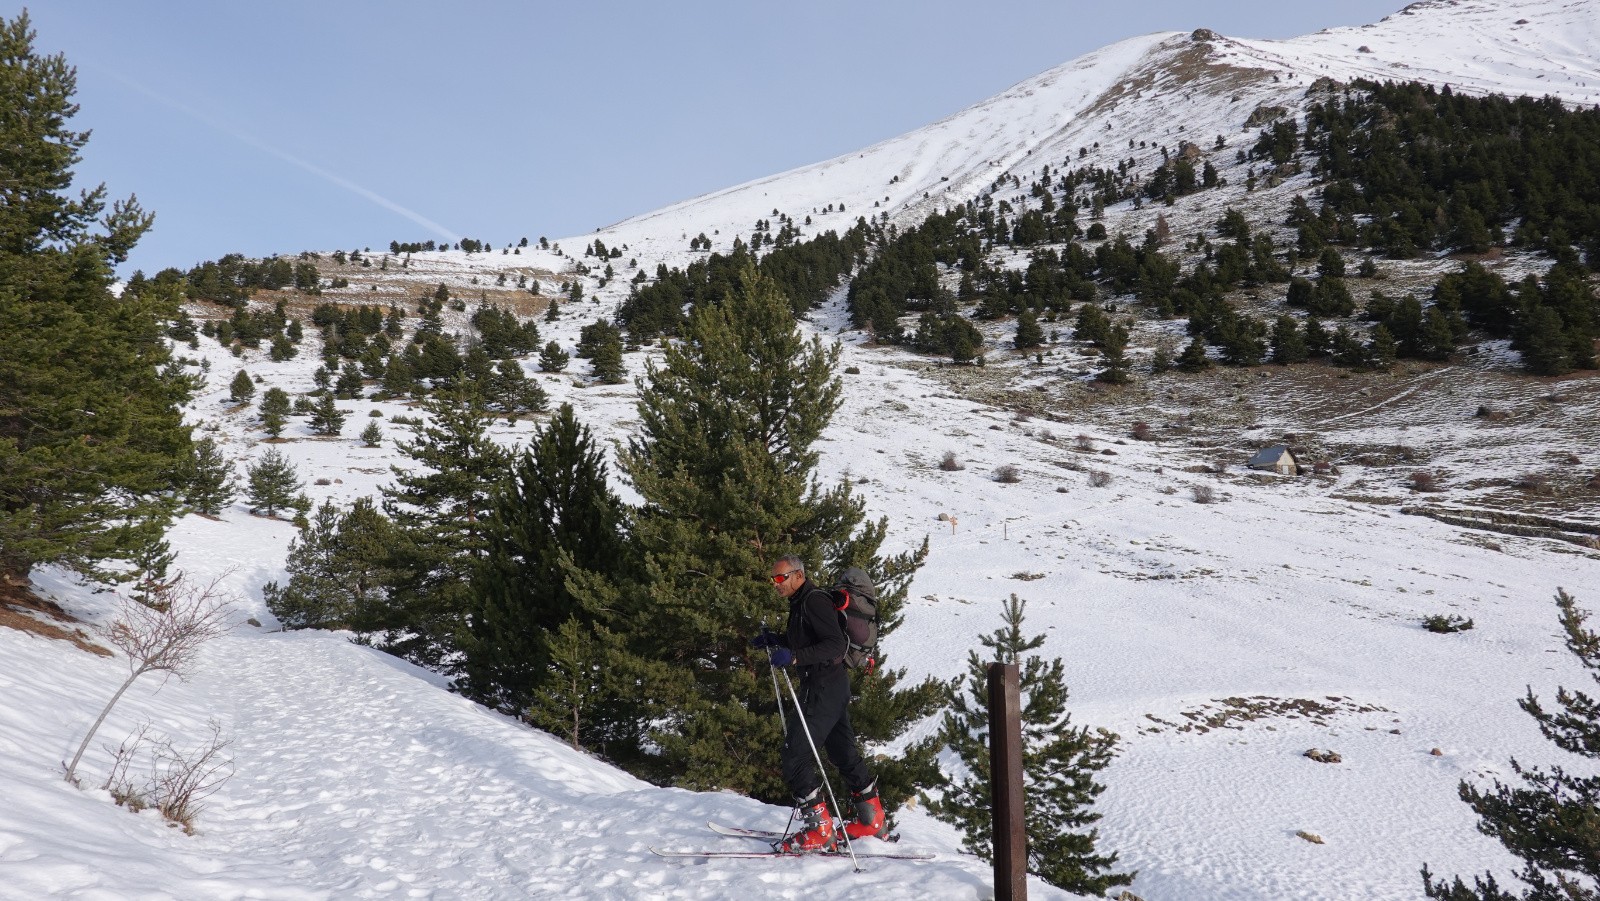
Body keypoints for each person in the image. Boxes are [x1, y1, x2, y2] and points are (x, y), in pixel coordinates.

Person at [752, 554, 887, 853]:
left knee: (795, 754)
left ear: (799, 575)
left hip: (823, 687)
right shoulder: (801, 603)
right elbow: (809, 639)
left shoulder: (814, 601)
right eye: (773, 579)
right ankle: (872, 820)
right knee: (842, 752)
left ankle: (820, 830)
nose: (776, 584)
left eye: (781, 578)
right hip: (832, 686)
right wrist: (777, 640)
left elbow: (835, 644)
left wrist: (795, 657)